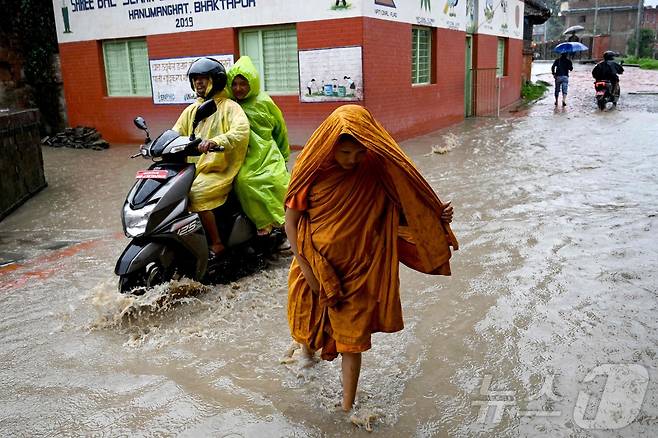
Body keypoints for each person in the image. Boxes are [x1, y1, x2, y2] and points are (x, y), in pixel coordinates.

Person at [284, 105, 458, 413]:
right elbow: (292, 221)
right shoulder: (311, 170)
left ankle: (347, 407)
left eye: (358, 153)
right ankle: (306, 361)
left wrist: (435, 216)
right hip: (314, 264)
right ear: (330, 146)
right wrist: (307, 267)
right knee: (309, 328)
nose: (352, 160)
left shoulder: (376, 168)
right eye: (345, 153)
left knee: (351, 339)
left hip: (360, 268)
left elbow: (404, 205)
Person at [173, 57, 250, 257]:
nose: (199, 82)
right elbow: (175, 132)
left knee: (196, 194)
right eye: (195, 79)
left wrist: (216, 141)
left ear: (215, 80)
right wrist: (154, 145)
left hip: (219, 169)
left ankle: (216, 243)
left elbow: (241, 131)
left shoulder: (229, 107)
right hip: (194, 169)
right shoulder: (191, 109)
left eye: (204, 78)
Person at [227, 56, 291, 237]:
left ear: (252, 83)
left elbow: (280, 129)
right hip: (244, 154)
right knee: (244, 181)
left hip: (267, 151)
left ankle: (285, 222)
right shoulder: (230, 105)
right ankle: (264, 221)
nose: (238, 88)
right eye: (235, 83)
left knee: (277, 181)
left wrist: (284, 155)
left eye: (243, 84)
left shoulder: (265, 102)